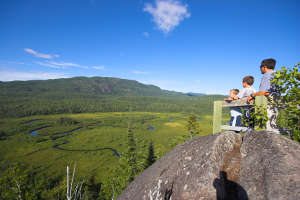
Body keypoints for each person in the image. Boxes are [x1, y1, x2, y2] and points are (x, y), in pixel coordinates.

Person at [247, 58, 280, 133]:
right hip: (275, 104)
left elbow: (263, 92)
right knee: (273, 125)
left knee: (265, 128)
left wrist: (252, 95)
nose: (260, 69)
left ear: (264, 67)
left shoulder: (267, 75)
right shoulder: (277, 75)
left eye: (260, 67)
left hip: (267, 105)